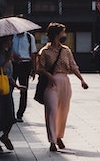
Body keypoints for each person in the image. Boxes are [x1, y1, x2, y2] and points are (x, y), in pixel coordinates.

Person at [35, 22, 88, 152]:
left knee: (63, 111)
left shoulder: (66, 50)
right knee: (51, 111)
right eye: (63, 32)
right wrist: (48, 75)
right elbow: (39, 69)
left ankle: (59, 136)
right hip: (50, 83)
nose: (64, 34)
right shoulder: (44, 51)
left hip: (64, 81)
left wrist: (81, 80)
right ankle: (52, 140)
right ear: (56, 34)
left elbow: (73, 66)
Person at [11, 28, 36, 122]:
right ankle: (10, 113)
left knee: (24, 89)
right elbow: (7, 49)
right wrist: (13, 55)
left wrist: (34, 68)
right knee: (10, 88)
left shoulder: (29, 37)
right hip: (13, 63)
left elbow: (33, 53)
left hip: (25, 63)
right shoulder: (12, 36)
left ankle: (20, 113)